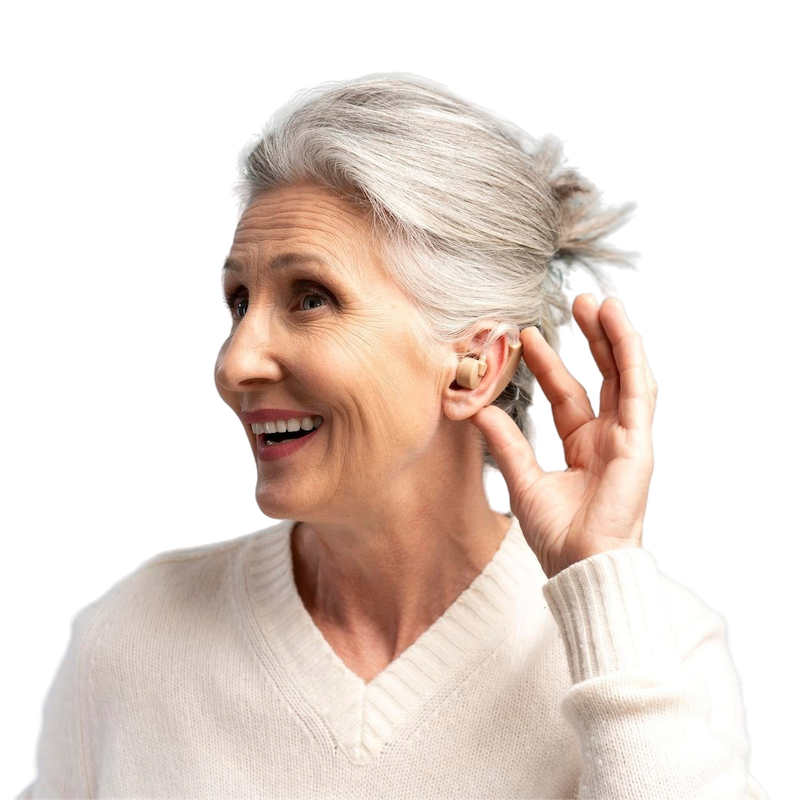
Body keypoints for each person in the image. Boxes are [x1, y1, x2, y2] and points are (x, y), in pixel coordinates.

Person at [16, 71, 773, 799]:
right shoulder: (133, 636)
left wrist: (602, 576)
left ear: (474, 367)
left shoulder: (654, 651)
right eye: (239, 301)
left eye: (311, 298)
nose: (234, 363)